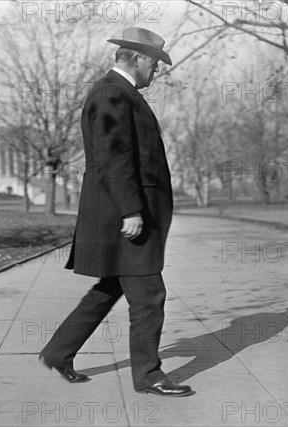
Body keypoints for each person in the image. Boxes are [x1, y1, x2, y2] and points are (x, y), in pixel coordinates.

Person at [39, 27, 194, 397]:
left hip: (124, 214)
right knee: (149, 295)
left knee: (111, 287)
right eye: (155, 63)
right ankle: (149, 375)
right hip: (123, 216)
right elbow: (113, 158)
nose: (157, 71)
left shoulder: (119, 93)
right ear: (138, 58)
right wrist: (131, 210)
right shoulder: (112, 93)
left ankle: (59, 352)